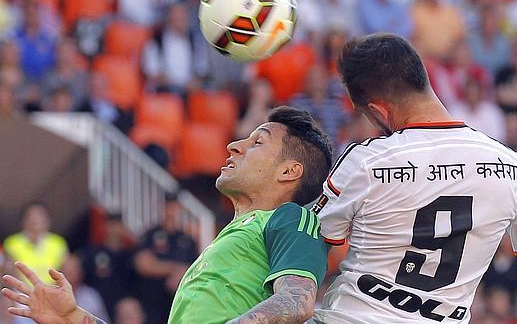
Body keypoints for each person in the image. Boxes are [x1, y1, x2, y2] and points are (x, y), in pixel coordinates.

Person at [312, 33, 517, 323]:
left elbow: (308, 245)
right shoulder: (512, 166)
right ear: (422, 79)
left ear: (378, 111)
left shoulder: (367, 160)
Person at [2, 106, 332, 324]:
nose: (234, 145)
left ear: (290, 171)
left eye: (257, 142)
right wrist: (73, 317)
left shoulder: (289, 217)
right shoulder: (229, 240)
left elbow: (297, 300)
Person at [133, 192, 197, 324]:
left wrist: (161, 266)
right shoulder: (150, 235)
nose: (170, 210)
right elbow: (143, 265)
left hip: (176, 302)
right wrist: (174, 269)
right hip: (151, 302)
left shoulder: (187, 240)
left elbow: (194, 269)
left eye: (173, 206)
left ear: (179, 208)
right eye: (167, 205)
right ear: (162, 207)